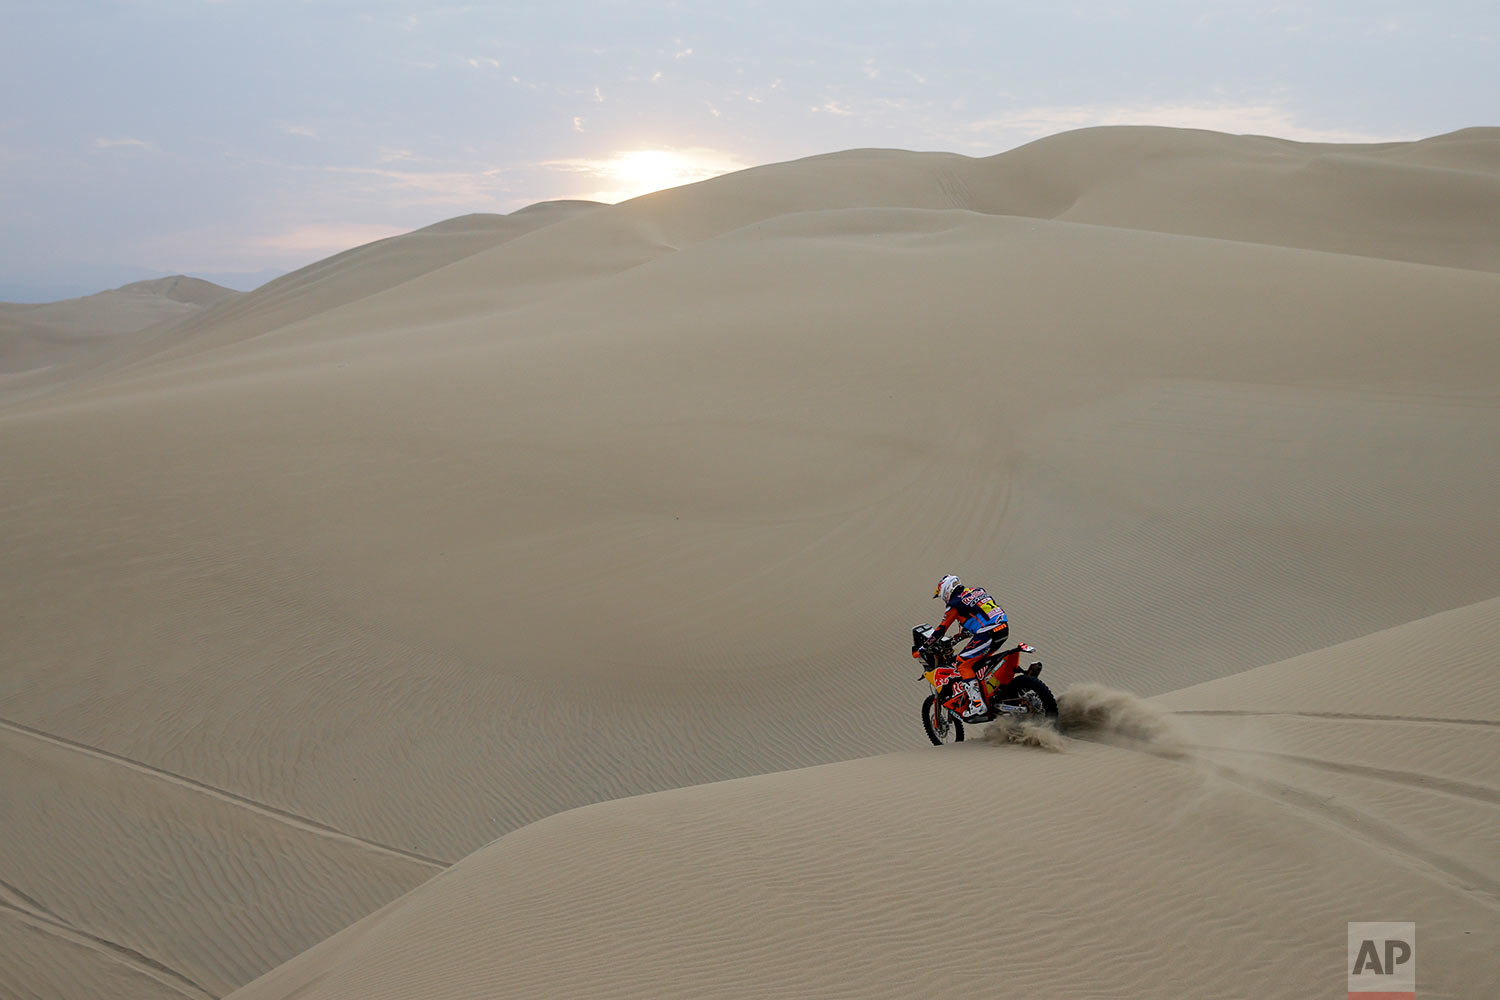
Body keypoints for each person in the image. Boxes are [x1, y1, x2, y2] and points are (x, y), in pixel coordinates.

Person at [927, 574, 1010, 720]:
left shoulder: (954, 603)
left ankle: (977, 704)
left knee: (962, 663)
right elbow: (980, 615)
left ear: (946, 590)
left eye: (942, 596)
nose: (943, 599)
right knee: (979, 661)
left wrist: (925, 646)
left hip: (988, 633)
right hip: (1003, 628)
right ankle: (991, 691)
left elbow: (941, 629)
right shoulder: (978, 591)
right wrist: (958, 637)